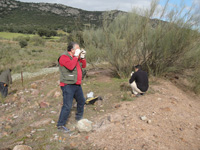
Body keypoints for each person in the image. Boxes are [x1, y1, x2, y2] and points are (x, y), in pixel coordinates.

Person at [57, 42, 87, 133]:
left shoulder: (76, 57)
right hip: (68, 85)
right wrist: (76, 57)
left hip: (77, 84)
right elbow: (70, 66)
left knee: (81, 101)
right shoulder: (63, 57)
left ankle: (79, 118)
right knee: (67, 105)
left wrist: (82, 58)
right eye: (78, 49)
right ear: (72, 50)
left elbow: (84, 66)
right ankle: (60, 125)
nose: (79, 50)